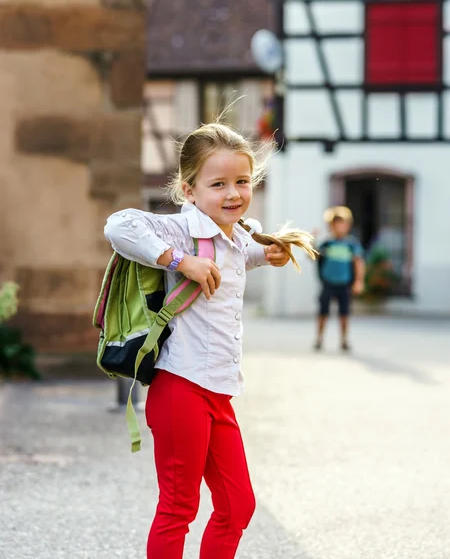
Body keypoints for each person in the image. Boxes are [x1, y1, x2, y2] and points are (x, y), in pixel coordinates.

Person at [103, 122, 316, 559]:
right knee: (179, 508)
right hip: (180, 387)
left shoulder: (237, 235)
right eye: (218, 184)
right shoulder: (182, 231)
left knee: (237, 506)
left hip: (218, 392)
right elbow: (117, 226)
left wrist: (266, 254)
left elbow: (234, 257)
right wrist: (181, 262)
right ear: (189, 190)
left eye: (242, 181)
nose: (233, 193)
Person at [314, 206, 365, 352]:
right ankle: (319, 338)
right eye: (336, 224)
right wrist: (313, 241)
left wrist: (359, 281)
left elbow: (358, 262)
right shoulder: (326, 243)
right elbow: (314, 256)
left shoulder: (351, 244)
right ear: (331, 226)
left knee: (344, 313)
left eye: (343, 224)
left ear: (348, 225)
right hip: (328, 282)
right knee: (323, 312)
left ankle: (344, 340)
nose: (340, 227)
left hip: (344, 284)